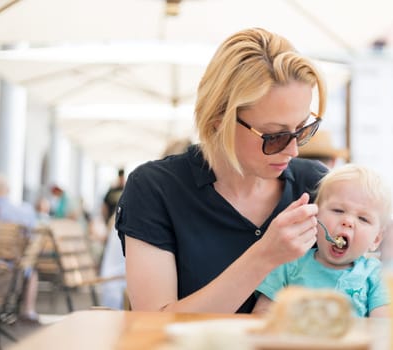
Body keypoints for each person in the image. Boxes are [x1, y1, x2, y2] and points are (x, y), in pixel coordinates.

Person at [116, 27, 328, 313]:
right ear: (219, 120)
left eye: (303, 129)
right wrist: (264, 256)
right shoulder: (155, 189)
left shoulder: (316, 184)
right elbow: (153, 326)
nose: (294, 150)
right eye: (274, 136)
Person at [253, 164, 392, 317]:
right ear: (315, 215)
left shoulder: (375, 274)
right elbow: (262, 314)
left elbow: (383, 326)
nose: (348, 221)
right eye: (338, 210)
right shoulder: (287, 264)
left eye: (363, 219)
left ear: (376, 239)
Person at [0, 174, 39, 323]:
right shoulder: (23, 211)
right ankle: (28, 310)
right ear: (8, 190)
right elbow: (32, 236)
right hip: (10, 273)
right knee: (31, 269)